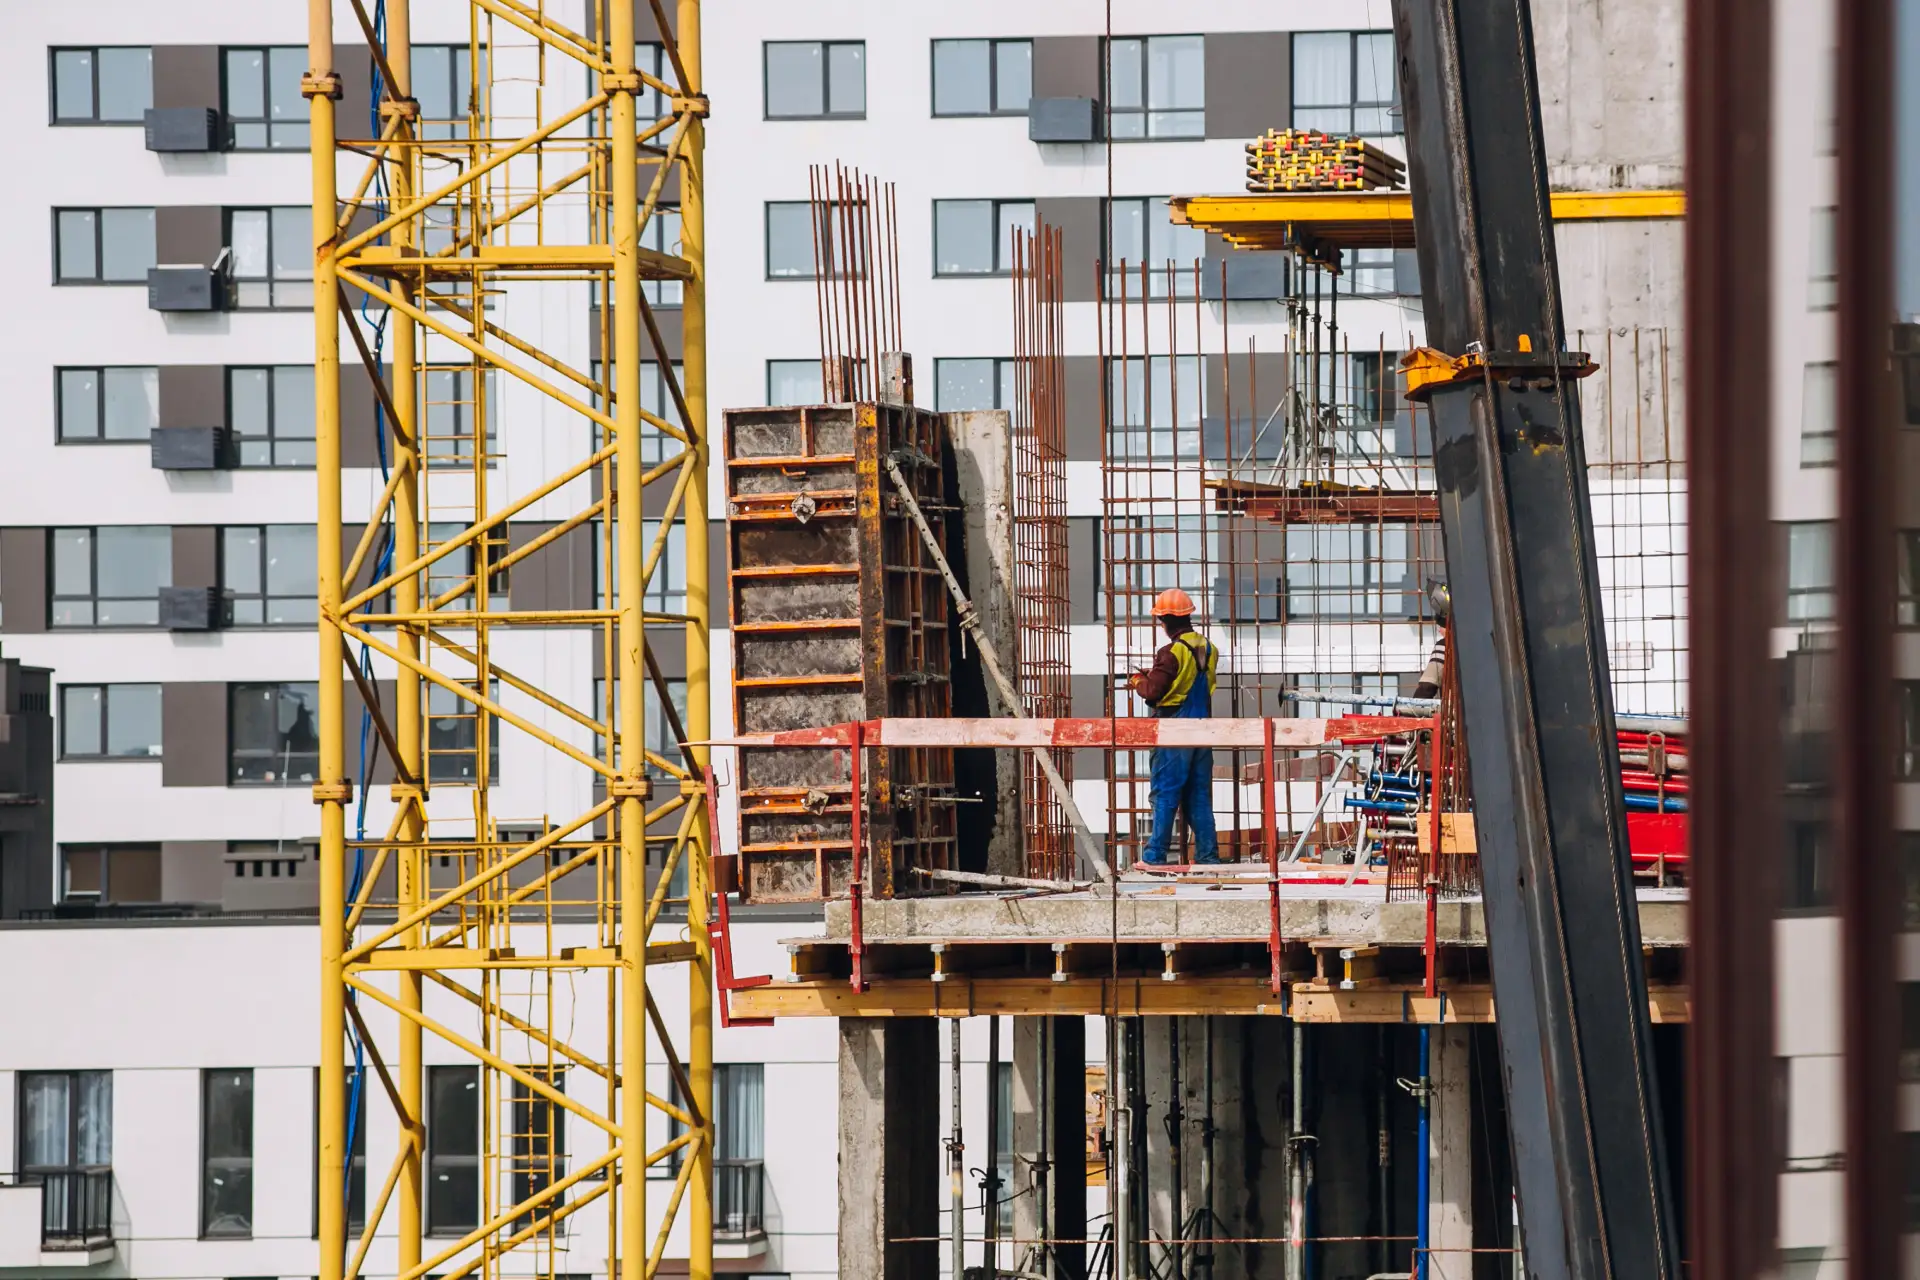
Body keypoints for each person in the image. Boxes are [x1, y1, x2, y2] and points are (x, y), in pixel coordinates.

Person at [1127, 587, 1221, 866]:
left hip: (1174, 729)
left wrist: (1137, 680)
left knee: (1165, 793)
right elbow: (1190, 679)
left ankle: (1155, 856)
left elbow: (1153, 691)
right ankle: (1208, 857)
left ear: (1165, 620)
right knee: (1198, 796)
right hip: (1202, 728)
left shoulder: (1171, 652)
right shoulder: (1209, 648)